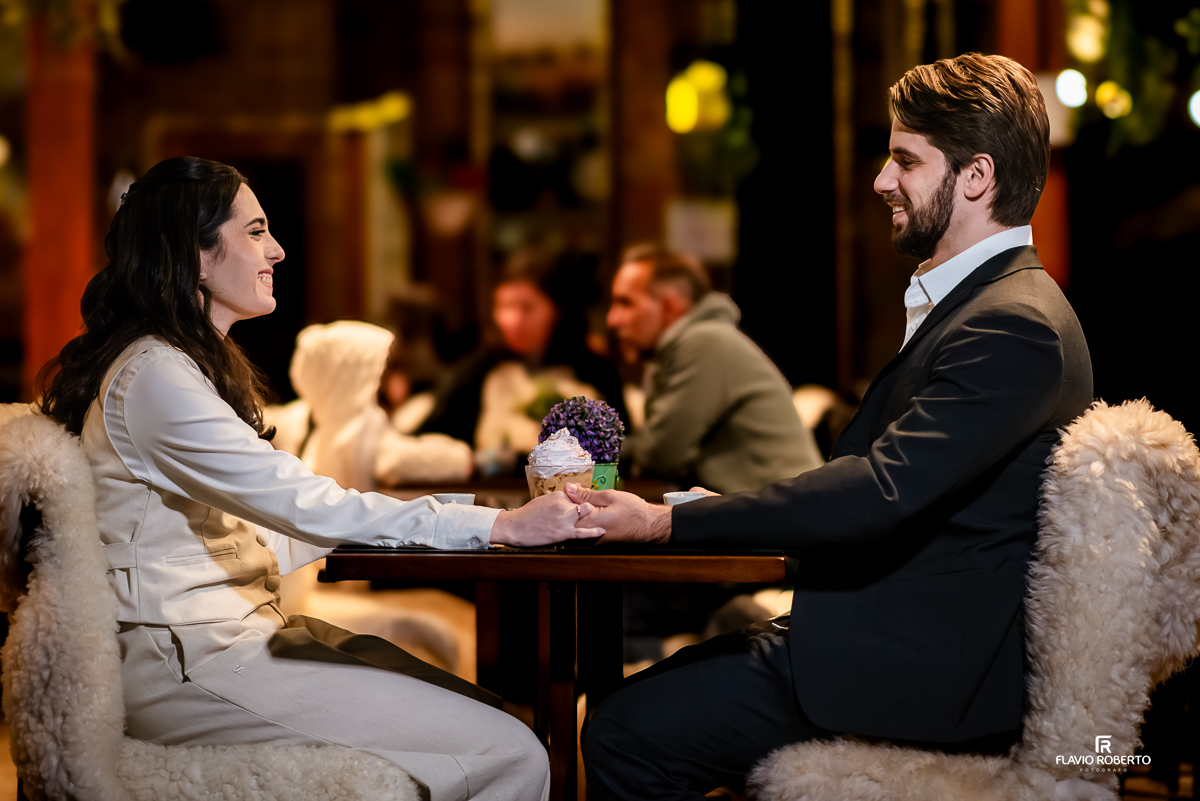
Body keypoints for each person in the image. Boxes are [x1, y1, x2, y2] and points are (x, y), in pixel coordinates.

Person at [565, 53, 1094, 799]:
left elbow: (879, 490)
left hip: (914, 674)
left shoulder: (1014, 324)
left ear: (975, 178)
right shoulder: (993, 306)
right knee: (623, 706)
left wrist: (664, 523)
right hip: (879, 640)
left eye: (905, 160)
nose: (881, 180)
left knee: (621, 729)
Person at [37, 156, 601, 801]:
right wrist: (497, 524)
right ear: (191, 254)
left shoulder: (178, 364)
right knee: (514, 755)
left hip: (229, 636)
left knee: (503, 721)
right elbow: (309, 507)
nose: (276, 250)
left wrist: (464, 516)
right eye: (255, 231)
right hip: (188, 662)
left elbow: (275, 528)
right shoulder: (156, 376)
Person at [608, 243, 822, 493]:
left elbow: (661, 457)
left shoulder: (702, 342)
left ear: (670, 306)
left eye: (626, 303)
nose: (613, 320)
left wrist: (585, 448)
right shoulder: (697, 341)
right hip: (764, 511)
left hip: (785, 519)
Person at [418, 247, 628, 455]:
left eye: (526, 307)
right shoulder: (476, 372)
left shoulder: (597, 372)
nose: (513, 321)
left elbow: (622, 447)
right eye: (504, 306)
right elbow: (429, 441)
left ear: (558, 310)